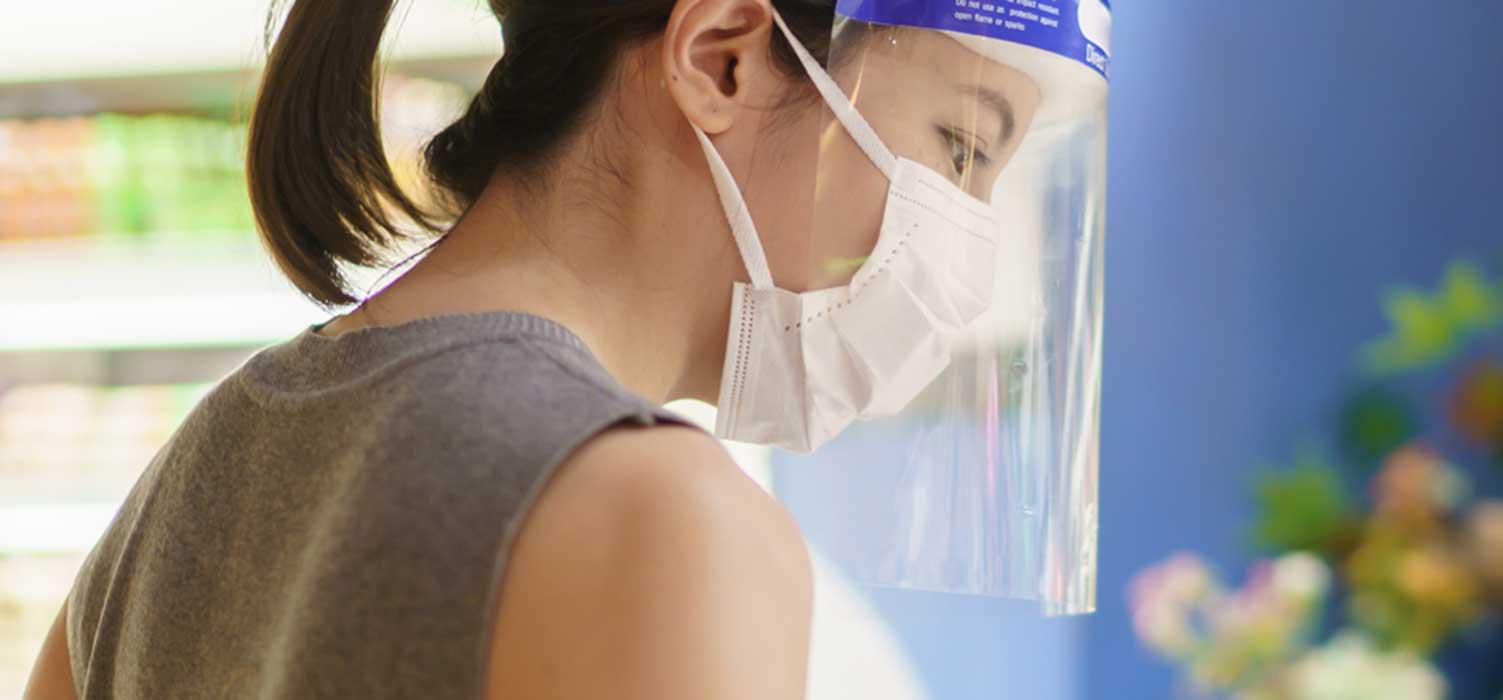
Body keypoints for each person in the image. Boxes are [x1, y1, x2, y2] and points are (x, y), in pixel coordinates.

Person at [23, 0, 1040, 697]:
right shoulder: (662, 519)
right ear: (718, 58)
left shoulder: (181, 489)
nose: (970, 249)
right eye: (961, 148)